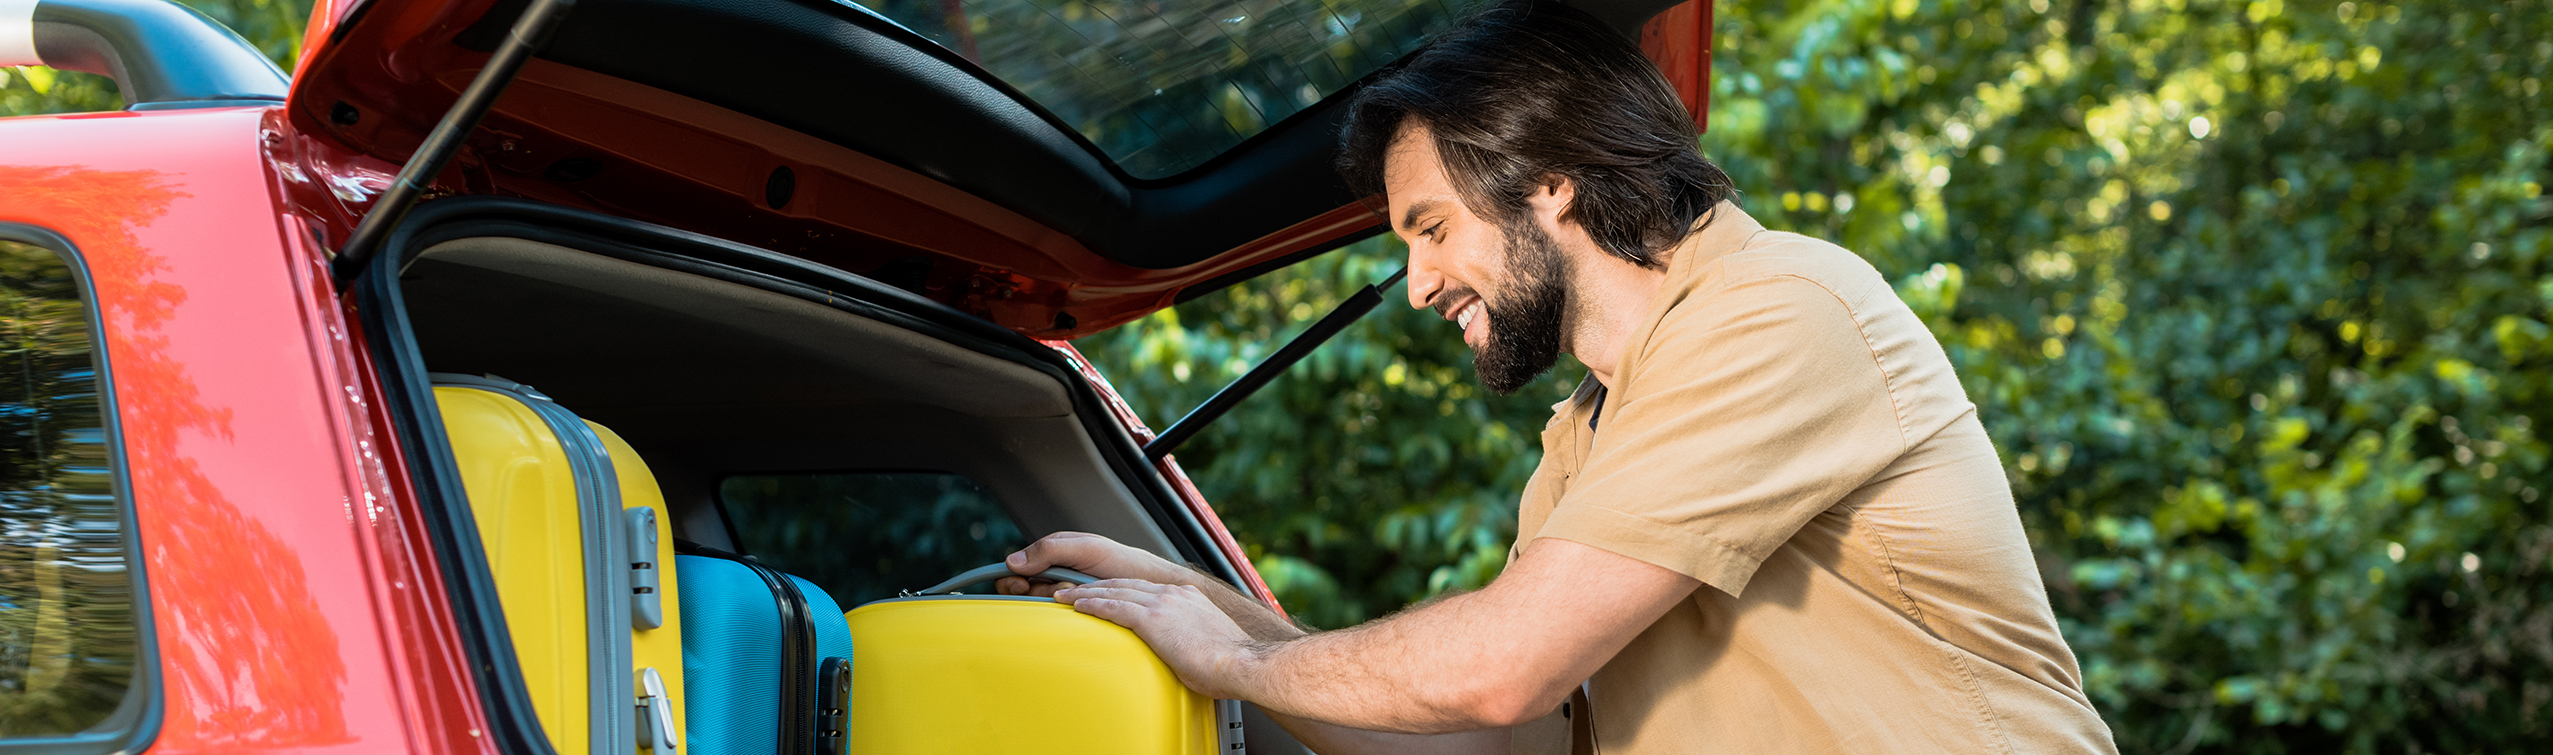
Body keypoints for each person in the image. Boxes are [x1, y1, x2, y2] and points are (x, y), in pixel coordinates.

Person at [996, 2, 2119, 752]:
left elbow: (1499, 669)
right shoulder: (1585, 437)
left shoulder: (1780, 309)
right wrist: (1208, 608)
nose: (1420, 281)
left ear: (1548, 182)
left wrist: (1233, 658)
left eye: (1430, 227)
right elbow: (1487, 728)